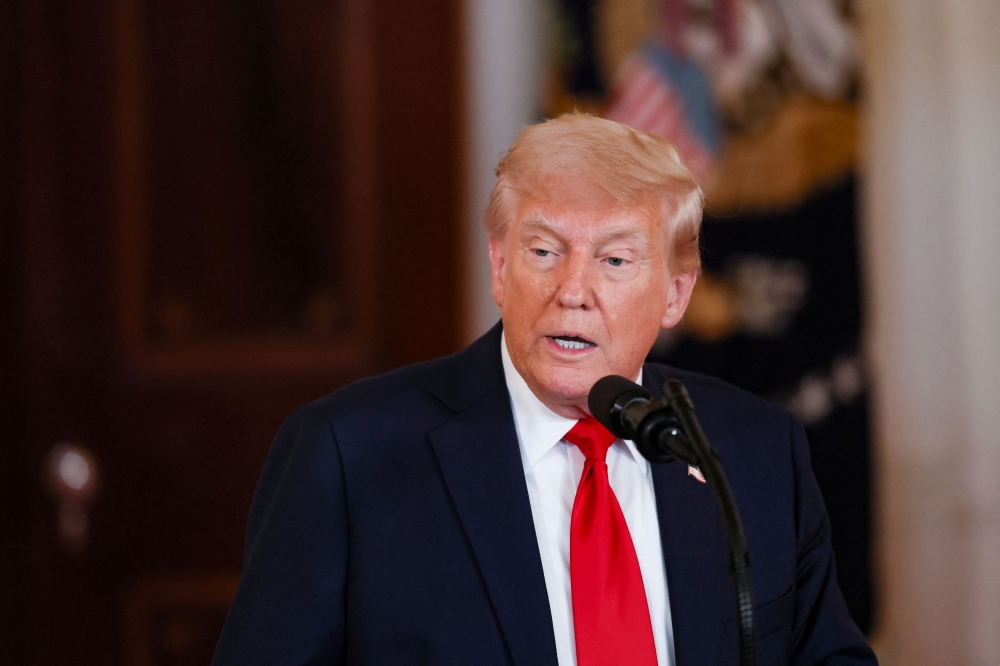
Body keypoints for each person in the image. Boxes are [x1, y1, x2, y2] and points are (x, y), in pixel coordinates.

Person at [212, 114, 876, 666]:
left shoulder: (755, 449)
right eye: (543, 251)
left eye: (615, 260)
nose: (572, 292)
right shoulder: (348, 456)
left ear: (676, 294)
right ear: (500, 267)